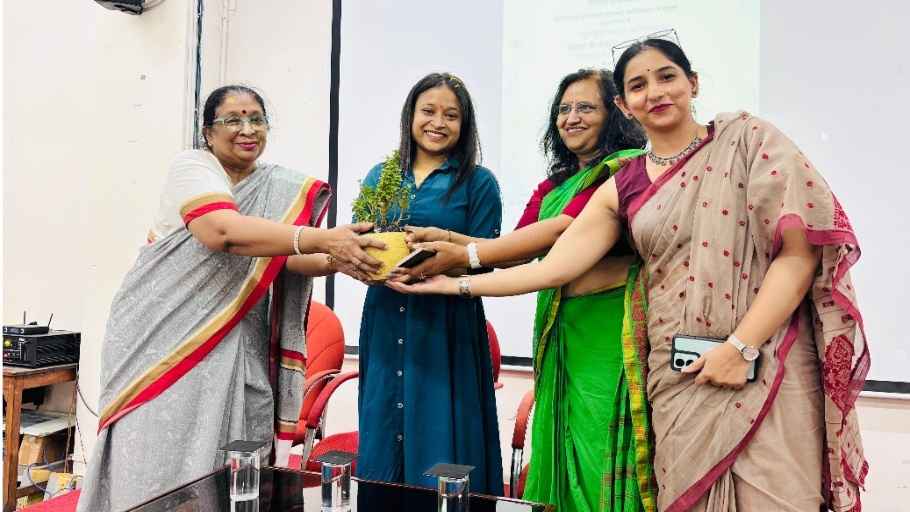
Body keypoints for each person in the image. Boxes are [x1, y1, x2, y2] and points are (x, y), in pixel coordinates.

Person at [391, 40, 869, 512]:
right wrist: (451, 284)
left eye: (667, 77)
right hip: (679, 370)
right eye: (638, 85)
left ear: (693, 82)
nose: (654, 92)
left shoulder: (747, 142)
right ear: (625, 103)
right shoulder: (626, 183)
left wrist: (740, 346)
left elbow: (799, 256)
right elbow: (554, 267)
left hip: (765, 358)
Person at [77, 85, 384, 512]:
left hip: (239, 341)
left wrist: (344, 258)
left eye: (257, 119)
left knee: (235, 464)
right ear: (208, 132)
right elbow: (222, 232)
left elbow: (288, 258)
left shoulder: (274, 186)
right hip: (163, 341)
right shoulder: (192, 168)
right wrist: (323, 239)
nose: (248, 129)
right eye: (233, 120)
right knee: (158, 462)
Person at [396, 69, 655, 511]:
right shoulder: (555, 184)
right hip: (561, 333)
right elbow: (514, 251)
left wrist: (460, 259)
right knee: (562, 440)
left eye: (586, 107)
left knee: (600, 447)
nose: (571, 118)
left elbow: (561, 231)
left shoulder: (625, 170)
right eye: (564, 109)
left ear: (614, 113)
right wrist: (448, 239)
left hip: (608, 336)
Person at [354, 72, 504, 495]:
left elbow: (488, 259)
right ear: (411, 116)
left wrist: (440, 260)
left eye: (451, 115)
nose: (438, 122)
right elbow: (358, 239)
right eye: (429, 111)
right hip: (386, 318)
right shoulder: (381, 176)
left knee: (445, 434)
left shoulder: (478, 182)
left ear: (464, 124)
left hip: (446, 324)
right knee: (383, 430)